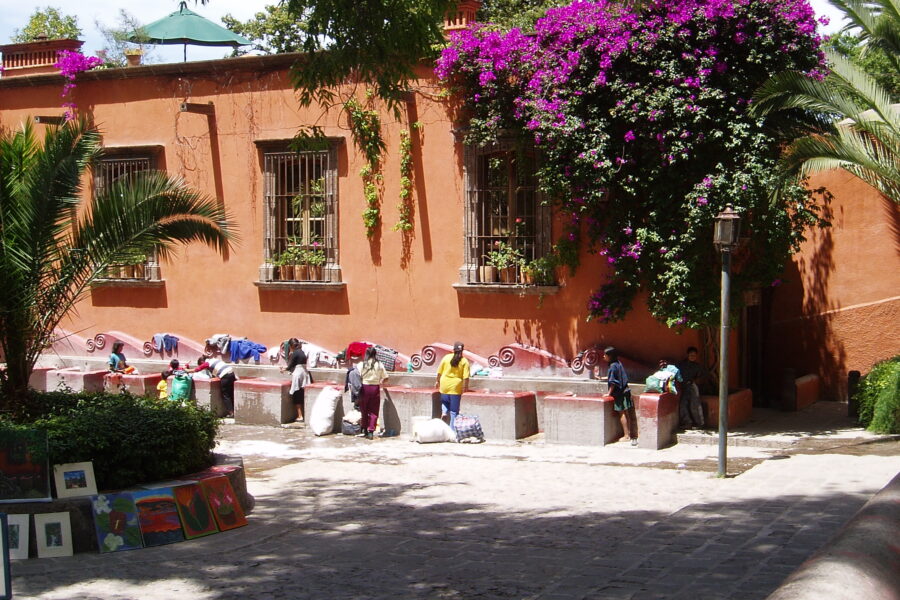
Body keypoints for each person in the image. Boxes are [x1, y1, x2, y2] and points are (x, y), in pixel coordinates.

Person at [604, 346, 637, 445]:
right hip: (626, 391)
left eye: (605, 355)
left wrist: (608, 393)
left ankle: (626, 435)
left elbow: (613, 382)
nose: (603, 356)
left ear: (609, 356)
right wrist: (601, 377)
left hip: (620, 393)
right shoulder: (617, 363)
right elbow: (614, 377)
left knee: (622, 413)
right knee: (627, 413)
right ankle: (631, 434)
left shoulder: (613, 366)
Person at [436, 342, 470, 431]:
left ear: (453, 350)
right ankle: (452, 431)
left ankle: (444, 412)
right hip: (455, 387)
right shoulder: (464, 361)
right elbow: (466, 377)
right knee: (454, 411)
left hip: (444, 385)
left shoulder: (446, 357)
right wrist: (465, 387)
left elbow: (439, 372)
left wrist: (437, 381)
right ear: (462, 350)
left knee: (445, 401)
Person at [356, 346, 388, 440]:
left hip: (364, 388)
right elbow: (386, 377)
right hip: (375, 388)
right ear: (375, 354)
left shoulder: (362, 364)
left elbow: (356, 375)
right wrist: (381, 381)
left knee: (364, 409)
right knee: (374, 411)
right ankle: (371, 431)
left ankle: (364, 429)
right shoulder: (379, 364)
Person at [280, 338, 310, 423]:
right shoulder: (302, 352)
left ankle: (300, 416)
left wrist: (283, 369)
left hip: (298, 375)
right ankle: (302, 415)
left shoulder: (295, 353)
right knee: (301, 394)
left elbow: (290, 366)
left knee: (297, 396)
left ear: (291, 346)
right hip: (304, 374)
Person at [676, 346, 706, 429]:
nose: (693, 357)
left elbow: (701, 377)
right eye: (691, 355)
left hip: (692, 386)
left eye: (694, 355)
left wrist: (694, 381)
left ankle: (700, 423)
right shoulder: (682, 365)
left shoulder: (697, 366)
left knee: (695, 404)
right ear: (687, 355)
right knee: (683, 404)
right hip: (684, 387)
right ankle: (687, 422)